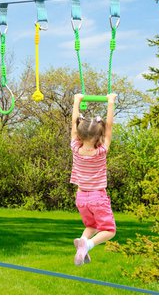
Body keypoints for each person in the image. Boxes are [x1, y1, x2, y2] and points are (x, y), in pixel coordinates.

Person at [70, 93, 117, 266]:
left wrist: (77, 101)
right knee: (109, 230)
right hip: (97, 197)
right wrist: (110, 102)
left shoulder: (75, 148)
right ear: (99, 136)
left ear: (79, 135)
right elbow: (110, 126)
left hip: (81, 198)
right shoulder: (101, 151)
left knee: (92, 226)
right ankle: (88, 244)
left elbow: (74, 128)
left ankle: (82, 243)